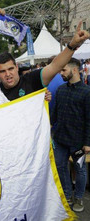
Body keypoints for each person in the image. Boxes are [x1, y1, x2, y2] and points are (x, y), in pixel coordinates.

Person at [0, 21, 89, 101]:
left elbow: (55, 66)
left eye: (10, 69)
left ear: (17, 67)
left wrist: (72, 45)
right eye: (2, 71)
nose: (8, 74)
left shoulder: (31, 80)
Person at [51, 58, 90, 213]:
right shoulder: (60, 90)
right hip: (60, 140)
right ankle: (67, 195)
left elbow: (89, 119)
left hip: (78, 142)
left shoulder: (87, 93)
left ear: (74, 70)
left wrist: (87, 142)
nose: (61, 73)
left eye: (63, 70)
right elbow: (55, 114)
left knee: (80, 170)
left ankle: (79, 197)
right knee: (61, 168)